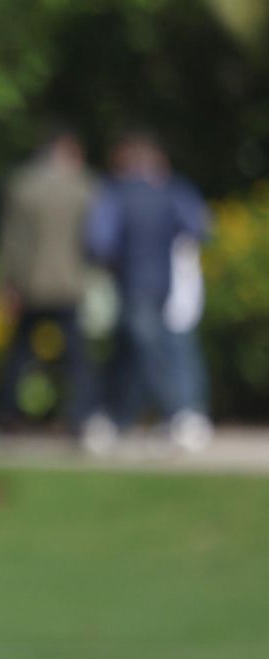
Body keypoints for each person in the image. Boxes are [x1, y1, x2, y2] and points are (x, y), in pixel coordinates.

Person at [83, 129, 212, 453]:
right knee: (136, 351)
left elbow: (99, 242)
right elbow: (199, 228)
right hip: (166, 286)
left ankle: (179, 415)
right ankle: (115, 419)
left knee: (149, 352)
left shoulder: (116, 194)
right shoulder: (173, 191)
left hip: (132, 284)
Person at [0, 127, 99, 434]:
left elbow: (10, 241)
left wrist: (6, 282)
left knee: (19, 355)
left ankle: (6, 415)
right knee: (77, 359)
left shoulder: (23, 185)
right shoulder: (85, 187)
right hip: (70, 283)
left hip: (31, 283)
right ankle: (81, 417)